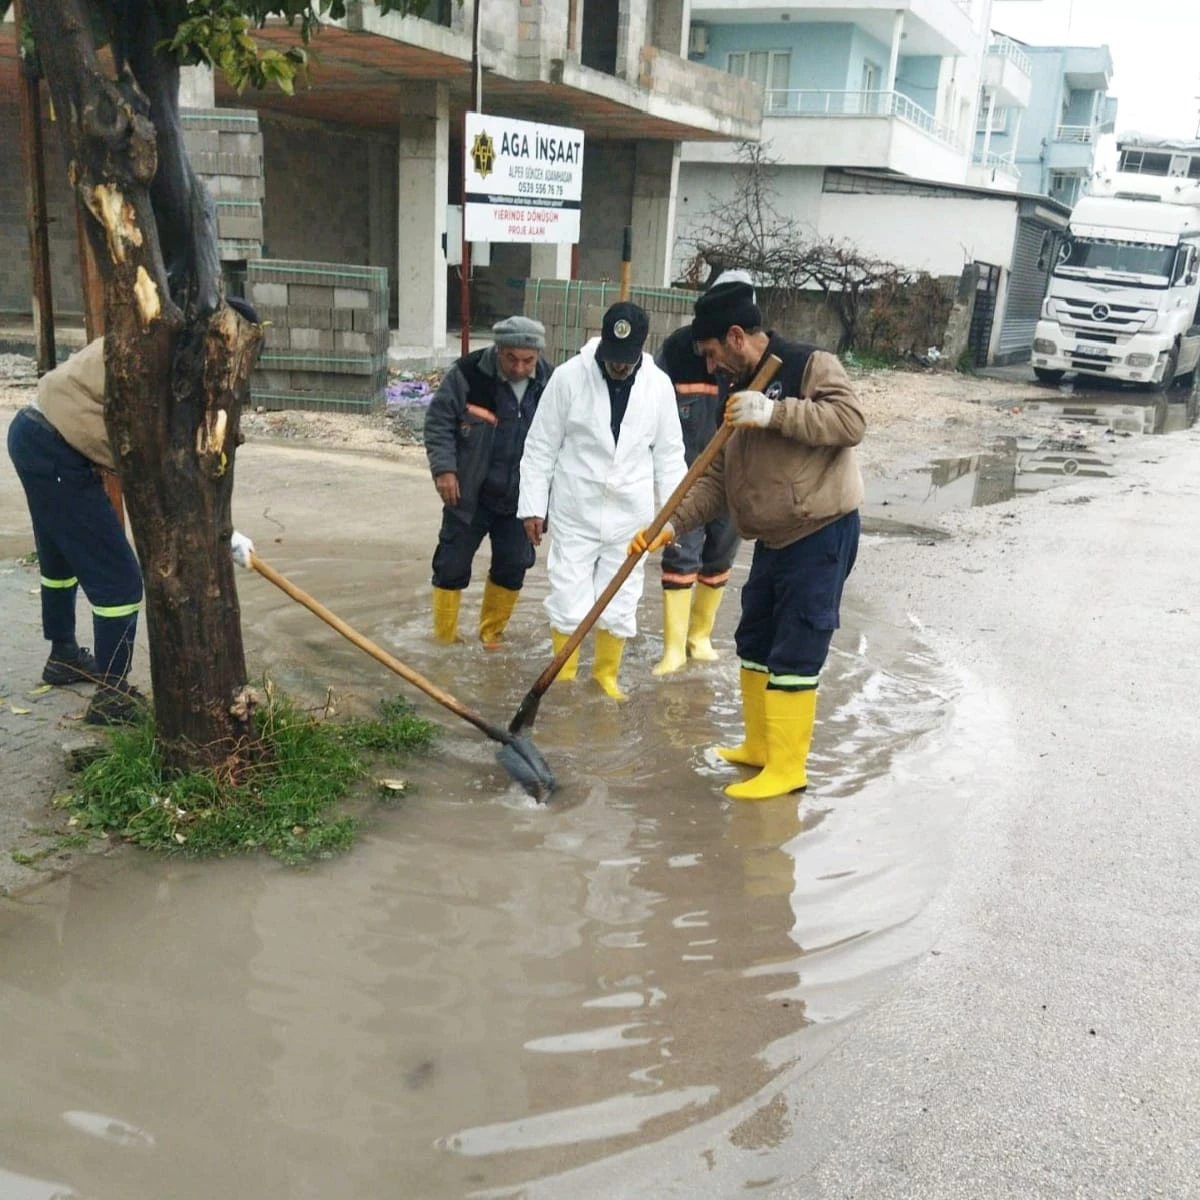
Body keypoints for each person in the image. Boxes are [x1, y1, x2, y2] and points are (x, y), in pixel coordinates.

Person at [630, 279, 865, 799]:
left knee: (797, 647)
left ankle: (787, 768)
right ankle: (760, 747)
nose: (709, 365)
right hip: (771, 538)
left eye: (712, 352)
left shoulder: (809, 365)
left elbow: (851, 422)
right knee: (755, 642)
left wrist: (775, 413)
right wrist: (669, 525)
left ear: (736, 336)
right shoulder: (735, 389)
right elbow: (716, 475)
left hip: (819, 531)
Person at [518, 301, 686, 700]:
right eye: (613, 357)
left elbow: (669, 455)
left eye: (627, 359)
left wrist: (673, 518)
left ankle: (606, 676)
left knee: (622, 598)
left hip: (632, 516)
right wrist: (533, 507)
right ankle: (563, 677)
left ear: (642, 348)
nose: (619, 366)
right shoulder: (568, 377)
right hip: (576, 508)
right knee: (567, 595)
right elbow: (541, 446)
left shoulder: (659, 386)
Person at [6, 338, 145, 726]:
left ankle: (63, 656)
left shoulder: (139, 332)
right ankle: (112, 697)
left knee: (59, 562)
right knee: (120, 581)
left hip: (32, 431)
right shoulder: (160, 353)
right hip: (56, 449)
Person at [424, 316, 552, 647]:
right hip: (469, 495)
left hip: (521, 500)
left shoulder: (551, 383)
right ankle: (444, 639)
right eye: (511, 359)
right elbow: (438, 422)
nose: (519, 368)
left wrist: (545, 503)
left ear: (538, 355)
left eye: (528, 360)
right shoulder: (468, 374)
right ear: (498, 350)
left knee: (513, 566)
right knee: (451, 565)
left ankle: (491, 636)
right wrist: (444, 469)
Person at [649, 270, 753, 675]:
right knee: (680, 553)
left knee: (720, 554)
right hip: (687, 476)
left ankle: (699, 638)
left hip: (735, 477)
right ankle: (673, 649)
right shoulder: (679, 350)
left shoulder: (753, 359)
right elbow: (653, 406)